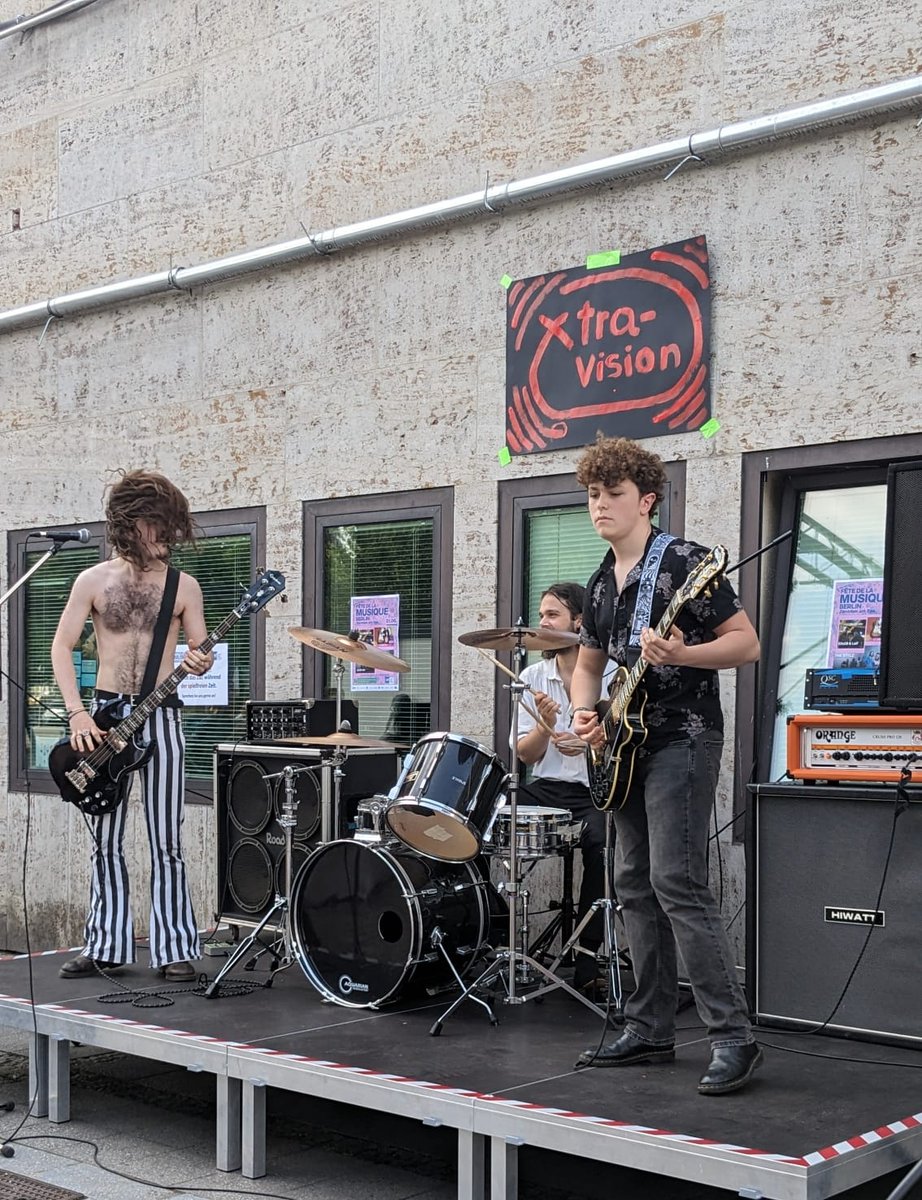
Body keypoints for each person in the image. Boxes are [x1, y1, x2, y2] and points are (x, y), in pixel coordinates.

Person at [569, 435, 762, 1096]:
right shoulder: (600, 581)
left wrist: (683, 655)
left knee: (676, 880)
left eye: (614, 494)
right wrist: (585, 711)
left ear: (647, 499)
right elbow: (588, 665)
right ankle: (650, 1028)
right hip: (623, 743)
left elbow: (745, 643)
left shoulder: (686, 562)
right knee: (632, 882)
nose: (600, 505)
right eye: (594, 495)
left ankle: (733, 1037)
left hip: (683, 736)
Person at [51, 470, 214, 982]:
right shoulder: (93, 580)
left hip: (162, 714)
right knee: (105, 837)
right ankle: (105, 945)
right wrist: (77, 712)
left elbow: (201, 649)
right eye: (157, 524)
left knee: (167, 838)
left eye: (172, 525)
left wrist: (200, 661)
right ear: (131, 523)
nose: (167, 534)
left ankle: (174, 948)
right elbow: (61, 647)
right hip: (103, 718)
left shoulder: (184, 586)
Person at [514, 582, 614, 997]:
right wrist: (544, 726)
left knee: (602, 844)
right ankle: (495, 933)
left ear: (579, 621)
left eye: (552, 614)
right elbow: (525, 755)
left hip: (595, 791)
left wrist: (591, 743)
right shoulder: (531, 677)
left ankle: (588, 958)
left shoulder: (612, 673)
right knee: (480, 821)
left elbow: (624, 745)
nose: (543, 622)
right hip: (547, 789)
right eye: (541, 614)